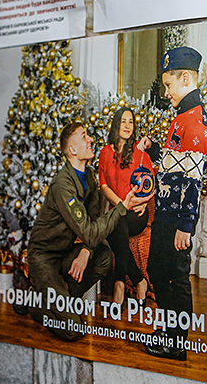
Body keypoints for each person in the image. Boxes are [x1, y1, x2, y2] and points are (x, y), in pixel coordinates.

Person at [28, 121, 152, 341]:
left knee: (104, 257)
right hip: (44, 258)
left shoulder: (89, 177)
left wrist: (86, 251)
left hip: (65, 253)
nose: (91, 139)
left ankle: (63, 298)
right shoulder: (62, 186)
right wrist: (124, 205)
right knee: (72, 330)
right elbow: (90, 232)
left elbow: (94, 220)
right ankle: (36, 304)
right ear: (73, 150)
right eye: (84, 136)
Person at [138, 47, 207, 360]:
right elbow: (175, 168)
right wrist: (154, 149)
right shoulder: (182, 117)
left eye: (168, 85)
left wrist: (185, 225)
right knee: (158, 270)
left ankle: (176, 343)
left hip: (175, 220)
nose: (166, 92)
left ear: (185, 78)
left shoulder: (194, 123)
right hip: (165, 215)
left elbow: (193, 182)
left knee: (175, 277)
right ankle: (169, 330)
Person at [98, 107, 152, 304]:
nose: (128, 126)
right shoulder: (105, 152)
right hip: (119, 212)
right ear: (116, 125)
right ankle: (139, 281)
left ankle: (119, 283)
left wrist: (144, 202)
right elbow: (103, 185)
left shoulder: (139, 151)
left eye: (131, 122)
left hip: (137, 213)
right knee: (117, 222)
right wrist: (121, 205)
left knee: (115, 222)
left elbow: (150, 182)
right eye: (124, 121)